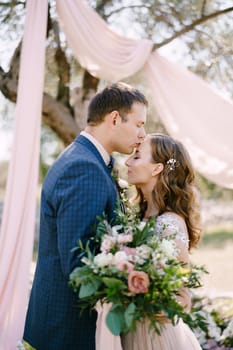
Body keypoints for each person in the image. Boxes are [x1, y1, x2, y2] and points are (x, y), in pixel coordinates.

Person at [23, 82, 148, 350]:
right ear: (115, 118)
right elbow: (79, 263)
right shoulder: (84, 167)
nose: (142, 134)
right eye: (139, 124)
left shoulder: (87, 159)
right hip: (68, 330)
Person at [121, 133, 202, 350]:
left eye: (137, 157)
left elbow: (183, 298)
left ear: (157, 168)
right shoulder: (137, 215)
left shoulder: (169, 224)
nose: (127, 161)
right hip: (130, 331)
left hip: (155, 338)